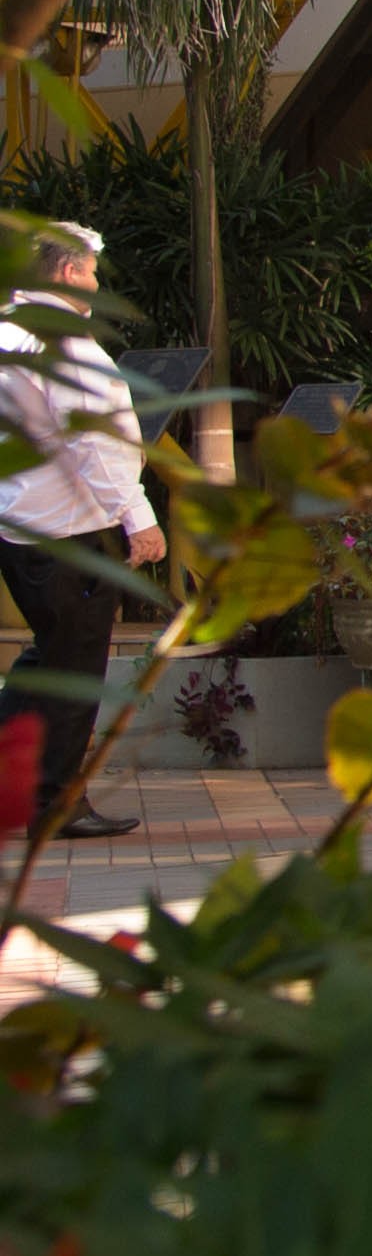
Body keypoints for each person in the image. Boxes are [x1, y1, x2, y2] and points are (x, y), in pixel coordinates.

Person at [0, 222, 163, 840]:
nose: (96, 285)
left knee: (51, 653)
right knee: (74, 668)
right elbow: (97, 442)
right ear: (69, 272)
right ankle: (56, 804)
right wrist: (139, 519)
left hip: (20, 525)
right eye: (93, 272)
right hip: (70, 529)